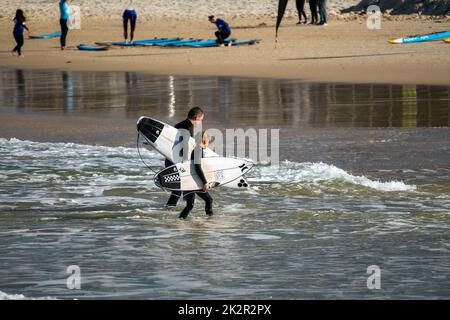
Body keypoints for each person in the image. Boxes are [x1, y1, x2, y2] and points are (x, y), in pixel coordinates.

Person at [166, 107, 205, 207]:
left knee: (178, 190)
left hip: (170, 161)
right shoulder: (189, 130)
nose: (201, 122)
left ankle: (170, 210)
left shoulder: (178, 125)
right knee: (179, 190)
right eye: (201, 120)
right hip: (178, 164)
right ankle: (172, 211)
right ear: (196, 117)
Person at [179, 131, 214, 219]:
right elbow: (197, 167)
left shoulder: (196, 149)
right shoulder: (198, 149)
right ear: (204, 140)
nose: (208, 141)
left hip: (190, 179)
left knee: (190, 205)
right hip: (193, 181)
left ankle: (180, 221)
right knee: (208, 200)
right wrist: (204, 182)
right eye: (208, 139)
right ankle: (210, 220)